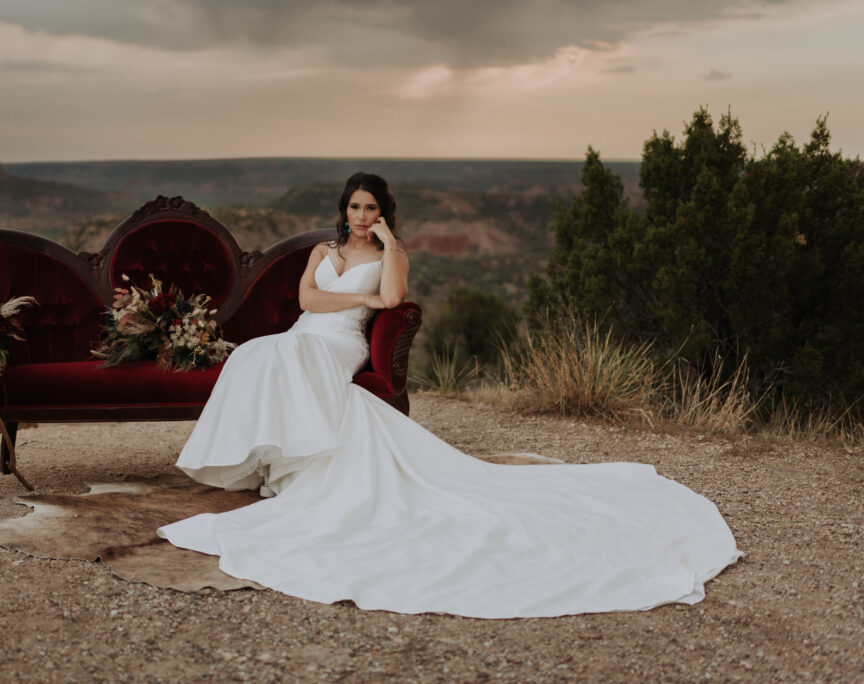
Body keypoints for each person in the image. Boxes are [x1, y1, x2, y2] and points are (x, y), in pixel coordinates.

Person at [158, 172, 741, 619]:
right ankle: (273, 456)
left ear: (384, 214)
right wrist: (331, 301)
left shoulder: (392, 255)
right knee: (260, 350)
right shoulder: (321, 254)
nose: (362, 216)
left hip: (339, 344)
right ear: (344, 210)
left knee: (295, 352)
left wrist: (385, 249)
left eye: (373, 209)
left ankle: (300, 459)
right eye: (355, 207)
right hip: (304, 335)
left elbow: (387, 303)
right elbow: (305, 304)